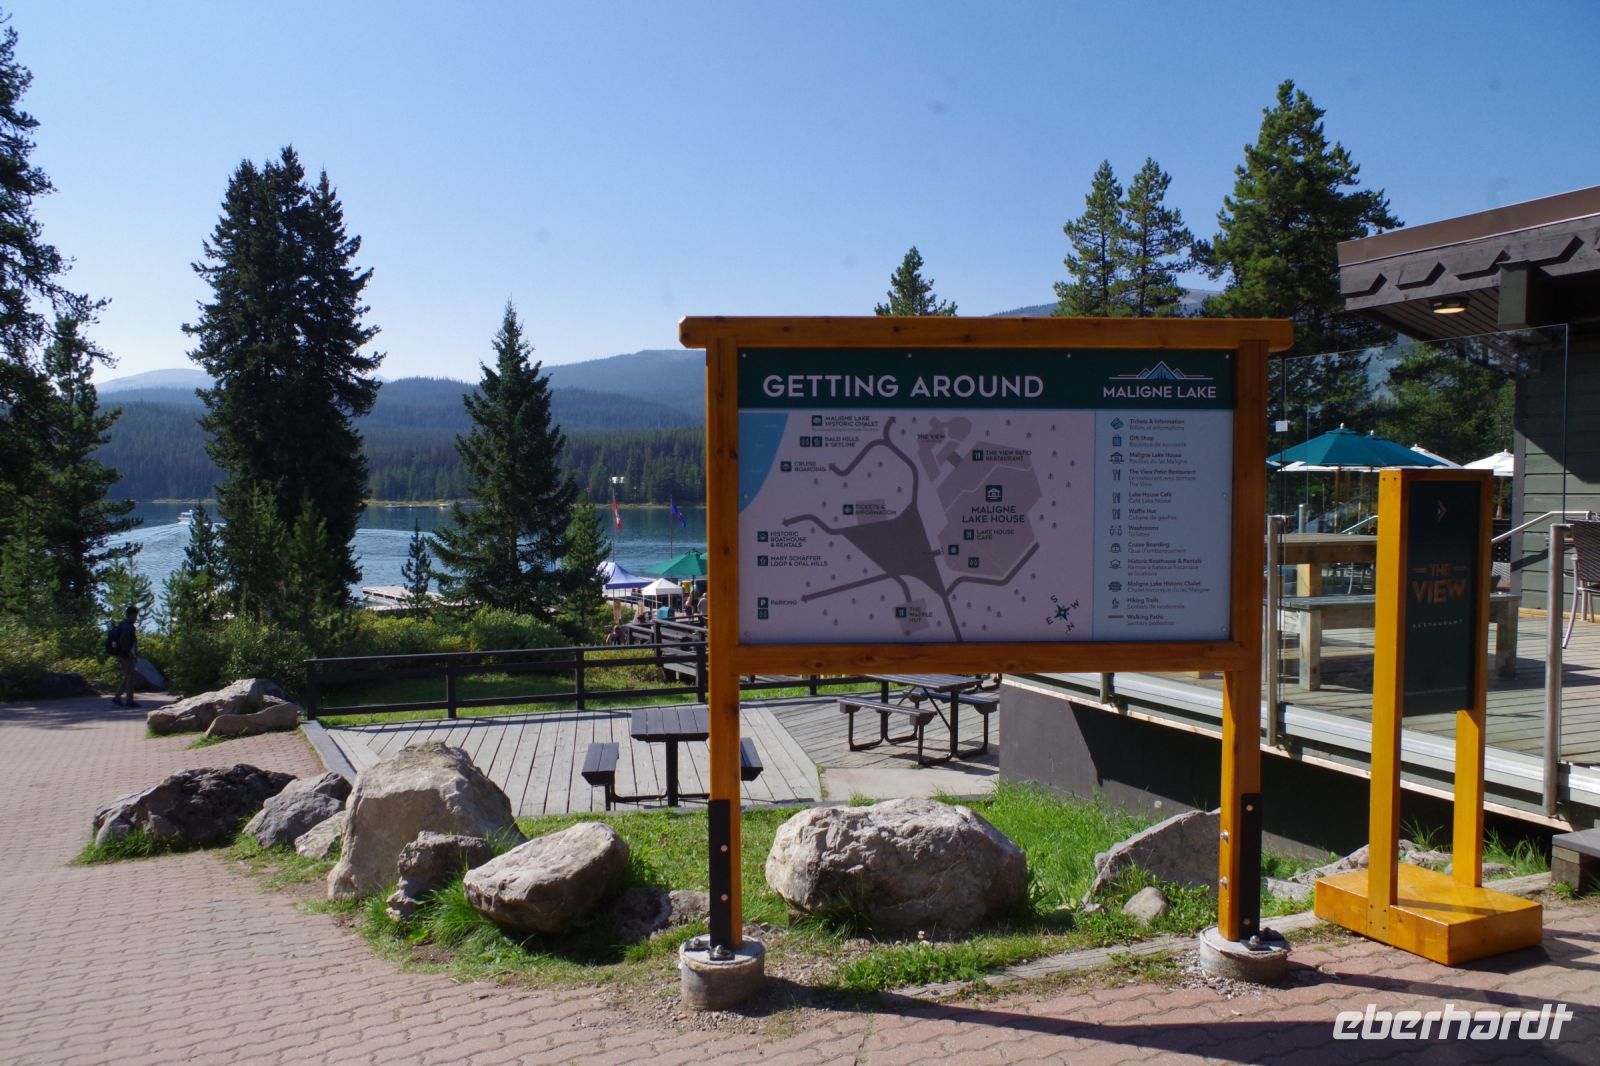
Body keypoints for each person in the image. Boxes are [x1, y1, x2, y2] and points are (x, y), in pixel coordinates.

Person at [110, 606, 140, 708]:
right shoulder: (128, 627)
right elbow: (125, 642)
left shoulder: (122, 624)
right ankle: (129, 700)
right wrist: (129, 653)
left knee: (128, 676)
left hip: (122, 654)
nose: (136, 618)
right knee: (130, 677)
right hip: (126, 655)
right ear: (131, 615)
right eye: (135, 616)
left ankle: (117, 697)